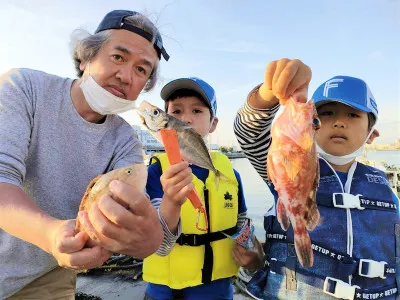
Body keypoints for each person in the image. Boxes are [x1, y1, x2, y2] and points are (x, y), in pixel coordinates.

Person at [0, 10, 174, 299]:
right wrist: (50, 234)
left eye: (142, 70)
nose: (126, 76)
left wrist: (148, 237)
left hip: (46, 275)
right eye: (118, 57)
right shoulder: (23, 87)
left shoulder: (126, 141)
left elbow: (135, 218)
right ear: (85, 57)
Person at [233, 58, 400, 299]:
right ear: (315, 126)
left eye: (353, 115)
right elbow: (248, 131)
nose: (339, 121)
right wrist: (270, 93)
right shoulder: (286, 156)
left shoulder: (383, 187)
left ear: (371, 134)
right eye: (326, 114)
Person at [142, 77, 265, 300]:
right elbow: (157, 245)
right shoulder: (156, 173)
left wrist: (255, 258)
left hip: (219, 292)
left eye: (197, 111)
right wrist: (171, 201)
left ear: (213, 123)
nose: (186, 119)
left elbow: (242, 227)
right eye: (176, 112)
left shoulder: (230, 174)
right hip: (165, 293)